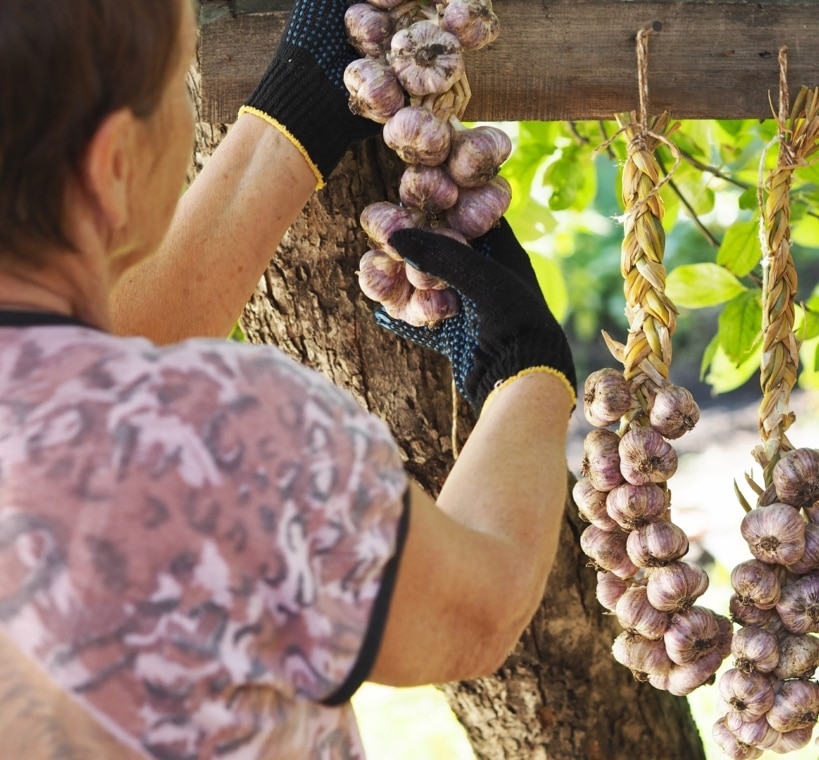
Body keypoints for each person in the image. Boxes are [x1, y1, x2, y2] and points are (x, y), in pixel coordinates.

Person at [0, 0, 577, 757]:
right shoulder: (231, 434)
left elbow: (87, 367)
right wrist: (527, 372)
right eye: (180, 87)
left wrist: (300, 105)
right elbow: (474, 614)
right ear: (113, 165)